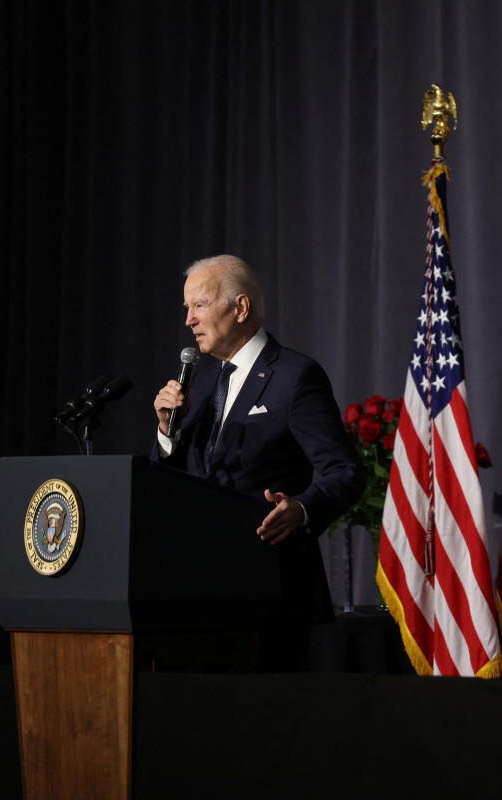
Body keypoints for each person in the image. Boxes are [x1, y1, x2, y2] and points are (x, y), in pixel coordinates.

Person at [152, 254, 364, 669]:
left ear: (241, 307)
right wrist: (167, 432)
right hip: (202, 592)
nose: (189, 320)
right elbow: (183, 479)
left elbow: (346, 471)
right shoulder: (204, 381)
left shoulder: (294, 376)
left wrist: (302, 508)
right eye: (187, 308)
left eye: (199, 305)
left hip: (272, 589)